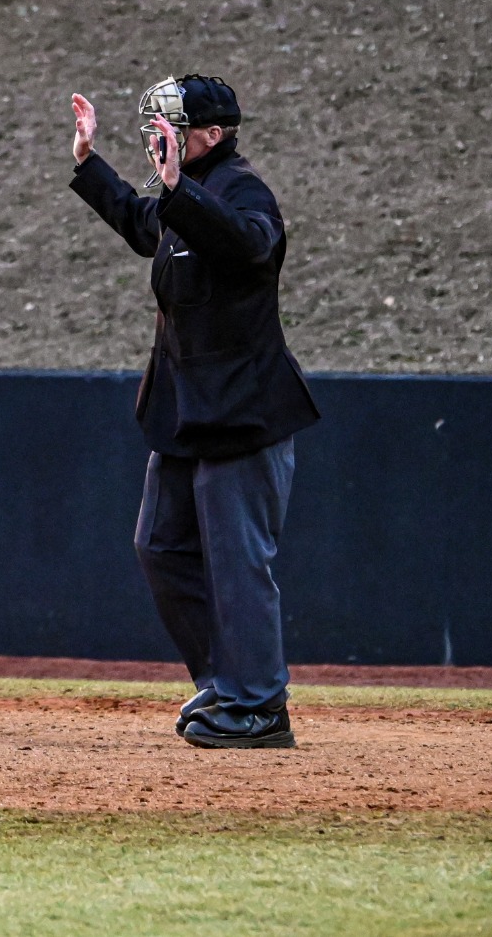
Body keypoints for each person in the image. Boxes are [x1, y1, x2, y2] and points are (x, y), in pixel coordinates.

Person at [68, 76, 319, 750]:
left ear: (210, 135)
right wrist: (89, 163)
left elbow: (249, 244)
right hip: (186, 412)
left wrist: (180, 190)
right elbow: (144, 223)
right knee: (161, 546)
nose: (158, 138)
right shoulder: (183, 194)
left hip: (242, 411)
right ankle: (223, 682)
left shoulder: (240, 188)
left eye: (170, 128)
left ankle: (259, 705)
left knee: (239, 563)